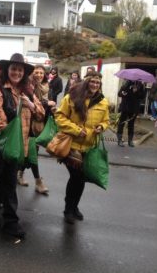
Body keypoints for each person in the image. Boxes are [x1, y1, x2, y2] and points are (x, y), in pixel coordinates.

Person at [0, 53, 45, 239]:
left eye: (20, 70)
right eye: (13, 69)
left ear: (24, 72)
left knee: (3, 182)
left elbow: (41, 113)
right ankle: (11, 222)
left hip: (20, 146)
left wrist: (31, 105)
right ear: (7, 70)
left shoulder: (27, 90)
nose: (17, 72)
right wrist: (13, 126)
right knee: (9, 184)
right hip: (1, 146)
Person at [54, 71, 109, 224]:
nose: (95, 85)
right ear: (86, 82)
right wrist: (77, 130)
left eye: (97, 83)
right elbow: (59, 116)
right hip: (71, 145)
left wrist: (101, 126)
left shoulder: (103, 102)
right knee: (76, 177)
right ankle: (68, 209)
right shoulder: (72, 97)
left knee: (80, 179)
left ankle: (74, 207)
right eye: (92, 82)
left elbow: (106, 120)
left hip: (89, 147)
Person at [17, 64, 55, 194]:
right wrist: (46, 103)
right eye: (36, 72)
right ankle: (38, 181)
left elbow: (41, 104)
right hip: (29, 123)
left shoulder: (46, 87)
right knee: (32, 154)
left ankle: (20, 174)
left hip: (40, 122)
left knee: (32, 153)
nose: (39, 75)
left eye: (41, 73)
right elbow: (33, 101)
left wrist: (51, 107)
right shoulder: (29, 84)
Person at [116, 80, 145, 147]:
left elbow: (142, 96)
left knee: (131, 124)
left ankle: (130, 141)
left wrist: (137, 91)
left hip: (134, 108)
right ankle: (119, 140)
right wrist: (126, 92)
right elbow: (119, 93)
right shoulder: (126, 83)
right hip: (125, 107)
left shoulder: (140, 85)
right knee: (121, 123)